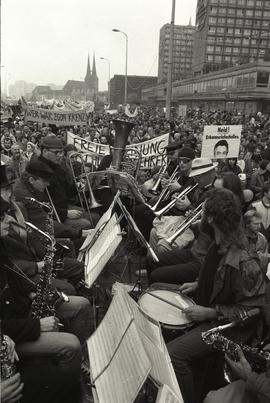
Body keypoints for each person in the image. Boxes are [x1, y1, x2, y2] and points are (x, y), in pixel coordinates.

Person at [167, 188, 266, 403]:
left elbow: (253, 311)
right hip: (208, 312)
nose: (200, 216)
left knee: (174, 355)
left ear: (211, 218)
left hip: (227, 330)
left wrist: (210, 312)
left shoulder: (245, 262)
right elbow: (214, 277)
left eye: (202, 213)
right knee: (157, 287)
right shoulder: (218, 242)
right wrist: (197, 284)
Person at [32, 135, 99, 231]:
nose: (60, 155)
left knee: (95, 217)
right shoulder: (38, 169)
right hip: (54, 215)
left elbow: (66, 191)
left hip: (64, 206)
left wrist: (79, 186)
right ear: (45, 151)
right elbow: (43, 204)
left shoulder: (57, 166)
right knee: (86, 224)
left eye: (61, 152)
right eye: (56, 153)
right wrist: (66, 213)